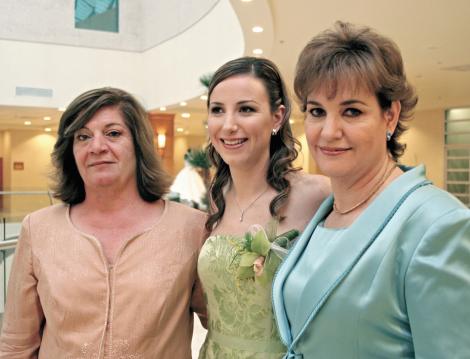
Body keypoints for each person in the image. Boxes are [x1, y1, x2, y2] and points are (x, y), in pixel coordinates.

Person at [272, 22, 470, 358]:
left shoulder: (438, 224)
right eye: (317, 111)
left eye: (351, 111)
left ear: (390, 116)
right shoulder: (324, 211)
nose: (329, 131)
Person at [0, 87, 207, 358]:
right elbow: (17, 344)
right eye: (83, 137)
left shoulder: (190, 228)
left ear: (138, 144)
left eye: (113, 133)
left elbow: (225, 330)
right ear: (70, 152)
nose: (97, 147)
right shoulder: (38, 229)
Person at [197, 57, 330, 358]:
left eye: (246, 109)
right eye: (218, 110)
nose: (229, 125)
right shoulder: (218, 197)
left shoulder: (316, 195)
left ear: (277, 117)